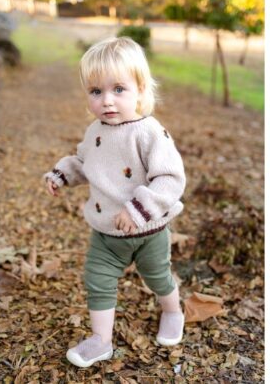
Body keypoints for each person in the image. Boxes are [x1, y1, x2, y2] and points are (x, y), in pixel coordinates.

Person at [44, 37, 186, 369]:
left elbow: (170, 179)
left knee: (158, 277)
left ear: (140, 89)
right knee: (97, 279)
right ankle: (101, 340)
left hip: (148, 231)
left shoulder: (149, 132)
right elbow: (85, 163)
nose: (107, 100)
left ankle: (172, 311)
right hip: (106, 234)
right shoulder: (95, 131)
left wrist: (138, 209)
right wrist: (62, 175)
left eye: (118, 89)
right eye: (96, 92)